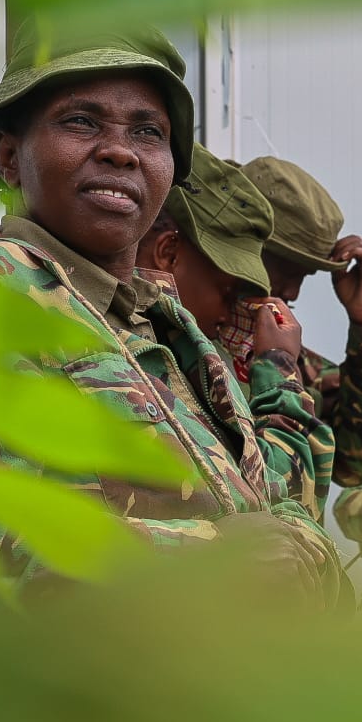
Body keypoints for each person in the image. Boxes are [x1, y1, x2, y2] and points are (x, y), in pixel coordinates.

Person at [0, 22, 342, 617]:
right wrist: (201, 559)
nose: (121, 151)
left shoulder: (162, 327)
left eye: (148, 132)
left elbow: (273, 510)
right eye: (81, 122)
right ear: (9, 157)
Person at [134, 142, 335, 514]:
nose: (289, 294)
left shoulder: (206, 345)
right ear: (168, 253)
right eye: (232, 291)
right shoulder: (148, 351)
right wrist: (278, 369)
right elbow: (280, 498)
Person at [223, 157, 362, 489]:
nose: (293, 292)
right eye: (285, 270)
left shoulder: (288, 358)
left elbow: (357, 464)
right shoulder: (177, 336)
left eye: (304, 276)